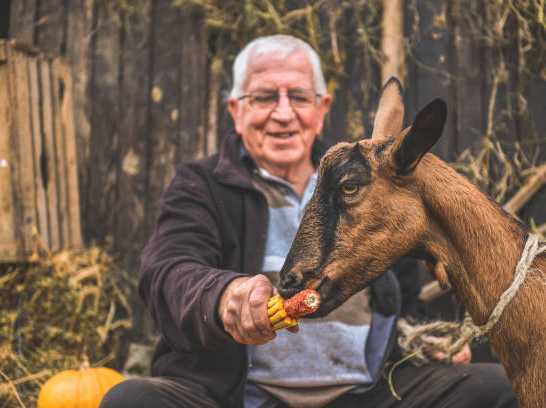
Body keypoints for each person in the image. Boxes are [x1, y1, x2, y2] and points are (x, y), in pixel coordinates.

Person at [101, 34, 518, 408]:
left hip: (368, 396)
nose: (283, 114)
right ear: (235, 109)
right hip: (237, 399)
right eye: (264, 97)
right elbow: (166, 272)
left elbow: (402, 302)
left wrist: (421, 341)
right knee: (131, 399)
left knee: (496, 389)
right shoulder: (201, 185)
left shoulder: (369, 182)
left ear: (322, 108)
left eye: (299, 97)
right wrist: (224, 296)